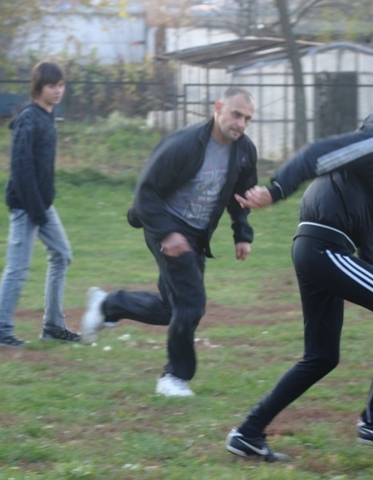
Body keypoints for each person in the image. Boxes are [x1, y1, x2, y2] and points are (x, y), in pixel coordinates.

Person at [225, 86, 373, 461]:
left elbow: (370, 226)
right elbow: (319, 153)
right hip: (324, 247)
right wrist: (277, 189)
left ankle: (248, 433)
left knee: (322, 356)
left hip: (318, 248)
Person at [81, 87, 258, 397]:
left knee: (171, 309)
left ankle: (108, 305)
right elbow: (145, 193)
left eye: (247, 119)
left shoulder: (244, 150)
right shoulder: (184, 144)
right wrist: (167, 233)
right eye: (236, 115)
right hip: (163, 223)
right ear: (218, 107)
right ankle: (174, 377)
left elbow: (241, 194)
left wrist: (241, 234)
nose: (241, 124)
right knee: (191, 304)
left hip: (195, 235)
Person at [0, 60, 79, 348]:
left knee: (62, 255)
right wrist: (37, 211)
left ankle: (53, 326)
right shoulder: (29, 118)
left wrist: (43, 205)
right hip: (26, 206)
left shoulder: (48, 116)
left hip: (41, 205)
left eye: (61, 85)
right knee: (18, 268)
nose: (58, 91)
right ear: (38, 87)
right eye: (52, 86)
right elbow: (21, 168)